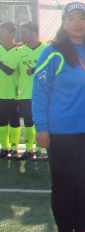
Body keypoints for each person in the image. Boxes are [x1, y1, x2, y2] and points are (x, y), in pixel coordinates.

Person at [32, 2, 85, 232]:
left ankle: (82, 231)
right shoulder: (52, 53)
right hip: (61, 131)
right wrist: (41, 127)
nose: (77, 23)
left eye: (82, 18)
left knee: (83, 184)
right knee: (63, 185)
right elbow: (39, 92)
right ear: (63, 23)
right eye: (72, 18)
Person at [12, 22, 46, 159]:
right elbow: (13, 71)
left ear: (34, 33)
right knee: (27, 122)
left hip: (42, 93)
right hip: (25, 93)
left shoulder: (46, 49)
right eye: (21, 33)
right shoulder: (19, 51)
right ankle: (28, 150)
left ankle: (39, 149)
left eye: (24, 32)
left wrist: (34, 70)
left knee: (40, 121)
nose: (21, 35)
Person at [0, 21, 21, 158]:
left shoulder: (18, 51)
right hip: (0, 93)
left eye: (2, 31)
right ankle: (4, 147)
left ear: (12, 34)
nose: (0, 34)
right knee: (1, 121)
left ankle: (14, 147)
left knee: (14, 121)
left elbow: (9, 71)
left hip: (14, 93)